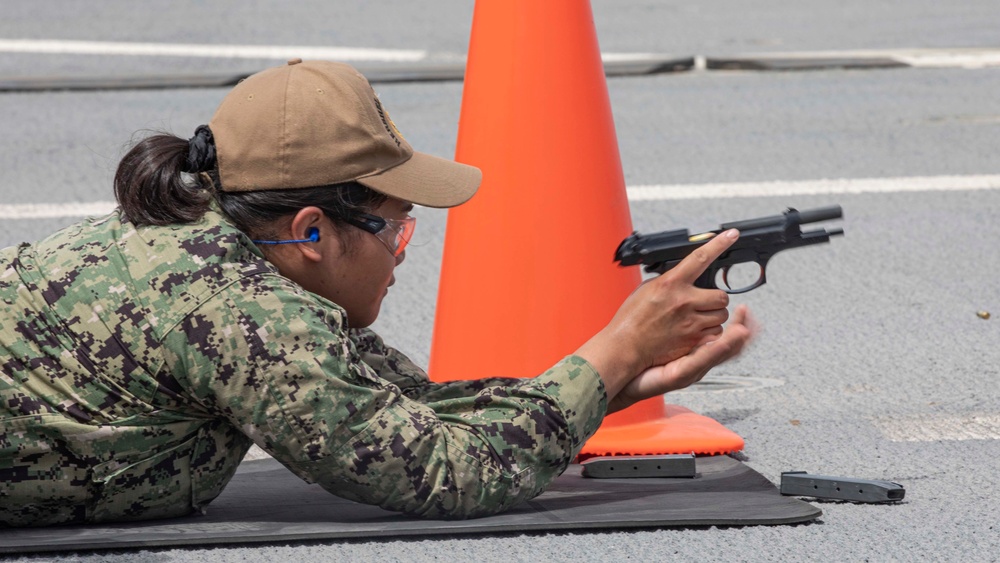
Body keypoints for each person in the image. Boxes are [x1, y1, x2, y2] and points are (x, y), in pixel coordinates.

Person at [0, 59, 754, 527]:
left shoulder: (223, 236)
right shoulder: (244, 314)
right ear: (312, 229)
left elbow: (411, 407)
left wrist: (619, 377)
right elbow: (453, 471)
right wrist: (614, 344)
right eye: (397, 227)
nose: (402, 253)